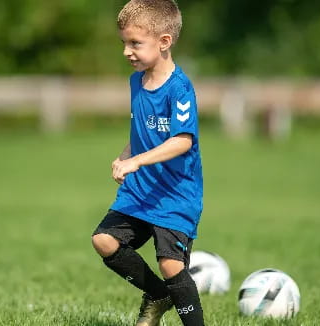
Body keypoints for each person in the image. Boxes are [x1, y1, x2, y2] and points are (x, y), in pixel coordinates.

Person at [91, 1, 205, 325]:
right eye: (124, 43)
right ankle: (157, 294)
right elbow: (143, 132)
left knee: (171, 265)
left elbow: (182, 140)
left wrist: (136, 162)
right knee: (104, 240)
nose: (127, 51)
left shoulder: (180, 89)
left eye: (135, 43)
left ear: (164, 42)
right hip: (141, 190)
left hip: (175, 195)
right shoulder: (136, 82)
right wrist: (125, 156)